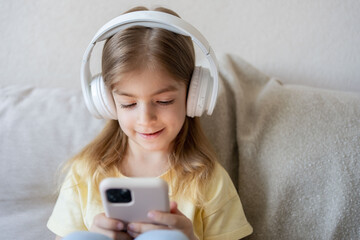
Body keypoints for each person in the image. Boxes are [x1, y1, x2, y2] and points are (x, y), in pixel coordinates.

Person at [47, 6, 253, 240]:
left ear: (194, 96)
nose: (146, 119)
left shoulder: (208, 180)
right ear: (106, 102)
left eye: (163, 101)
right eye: (128, 104)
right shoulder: (86, 172)